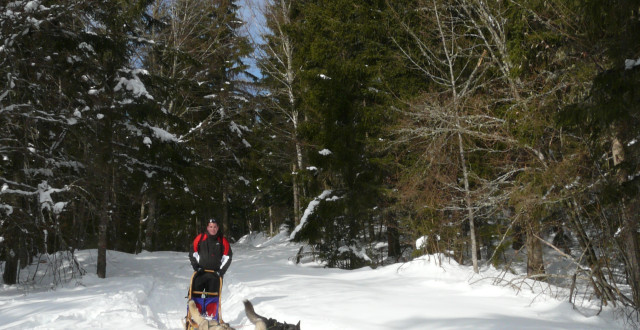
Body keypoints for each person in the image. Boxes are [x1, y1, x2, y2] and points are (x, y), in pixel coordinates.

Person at [189, 218, 232, 294]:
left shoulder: (223, 241)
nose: (213, 229)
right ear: (207, 228)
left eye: (215, 227)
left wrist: (221, 271)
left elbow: (228, 257)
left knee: (213, 299)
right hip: (201, 272)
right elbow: (193, 253)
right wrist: (196, 266)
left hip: (215, 274)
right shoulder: (200, 238)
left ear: (218, 228)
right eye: (211, 227)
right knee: (194, 296)